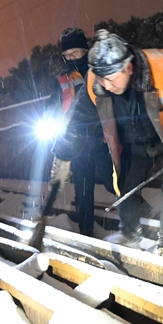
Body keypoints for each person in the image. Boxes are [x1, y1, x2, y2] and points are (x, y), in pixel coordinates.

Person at [51, 30, 163, 258]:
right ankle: (132, 235)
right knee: (126, 187)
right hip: (135, 142)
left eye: (111, 78)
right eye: (101, 79)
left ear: (129, 67)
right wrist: (63, 156)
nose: (106, 85)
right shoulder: (96, 82)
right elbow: (77, 122)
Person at [52, 28, 112, 236]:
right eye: (66, 55)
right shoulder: (61, 79)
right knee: (83, 190)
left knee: (114, 182)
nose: (70, 59)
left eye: (75, 53)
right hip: (77, 144)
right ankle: (87, 232)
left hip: (103, 140)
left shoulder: (99, 70)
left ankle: (137, 219)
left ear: (85, 50)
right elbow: (53, 106)